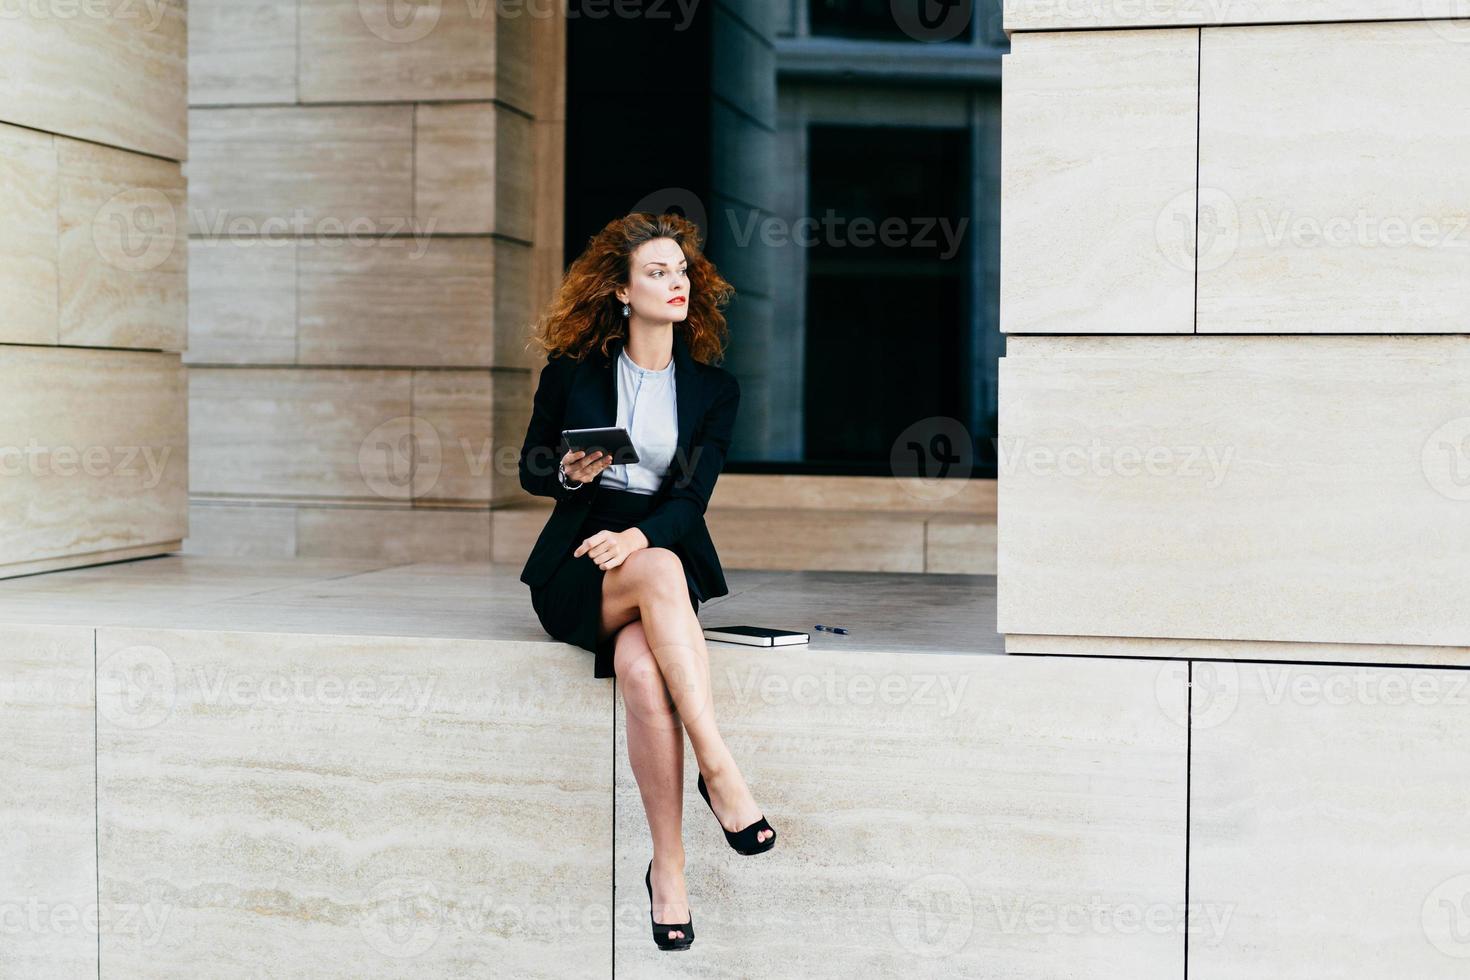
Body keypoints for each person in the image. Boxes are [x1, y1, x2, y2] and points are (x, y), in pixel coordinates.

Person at [517, 211, 778, 951]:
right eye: (657, 273)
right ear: (623, 292)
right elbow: (529, 468)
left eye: (682, 272)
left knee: (641, 670)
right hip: (580, 562)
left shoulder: (712, 391)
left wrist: (638, 536)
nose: (676, 283)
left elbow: (691, 499)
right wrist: (567, 472)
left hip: (655, 547)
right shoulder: (572, 375)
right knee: (657, 574)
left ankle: (668, 868)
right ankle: (720, 771)